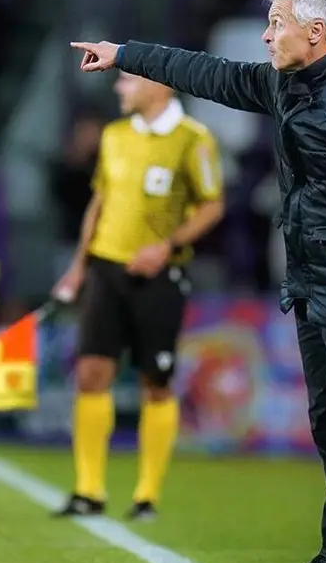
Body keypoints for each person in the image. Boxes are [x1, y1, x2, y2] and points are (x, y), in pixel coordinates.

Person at [71, 0, 326, 563]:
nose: (266, 34)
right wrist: (125, 54)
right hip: (312, 283)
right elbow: (208, 74)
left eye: (277, 23)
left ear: (316, 32)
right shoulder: (290, 85)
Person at [50, 71, 225, 521]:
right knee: (91, 373)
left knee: (155, 382)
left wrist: (166, 246)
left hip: (159, 275)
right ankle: (88, 490)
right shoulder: (114, 136)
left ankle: (147, 494)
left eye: (127, 82)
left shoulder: (193, 139)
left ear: (160, 86)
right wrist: (79, 265)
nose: (118, 89)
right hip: (107, 268)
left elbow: (212, 205)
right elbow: (99, 202)